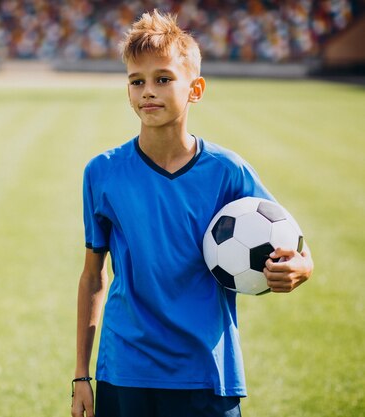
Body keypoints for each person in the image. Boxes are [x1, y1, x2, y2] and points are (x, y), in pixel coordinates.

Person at [71, 9, 314, 417]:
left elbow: (299, 250)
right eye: (137, 81)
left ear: (195, 88)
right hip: (125, 369)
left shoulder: (228, 171)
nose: (148, 91)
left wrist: (299, 270)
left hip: (206, 370)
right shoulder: (103, 172)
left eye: (163, 79)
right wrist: (81, 374)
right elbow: (93, 275)